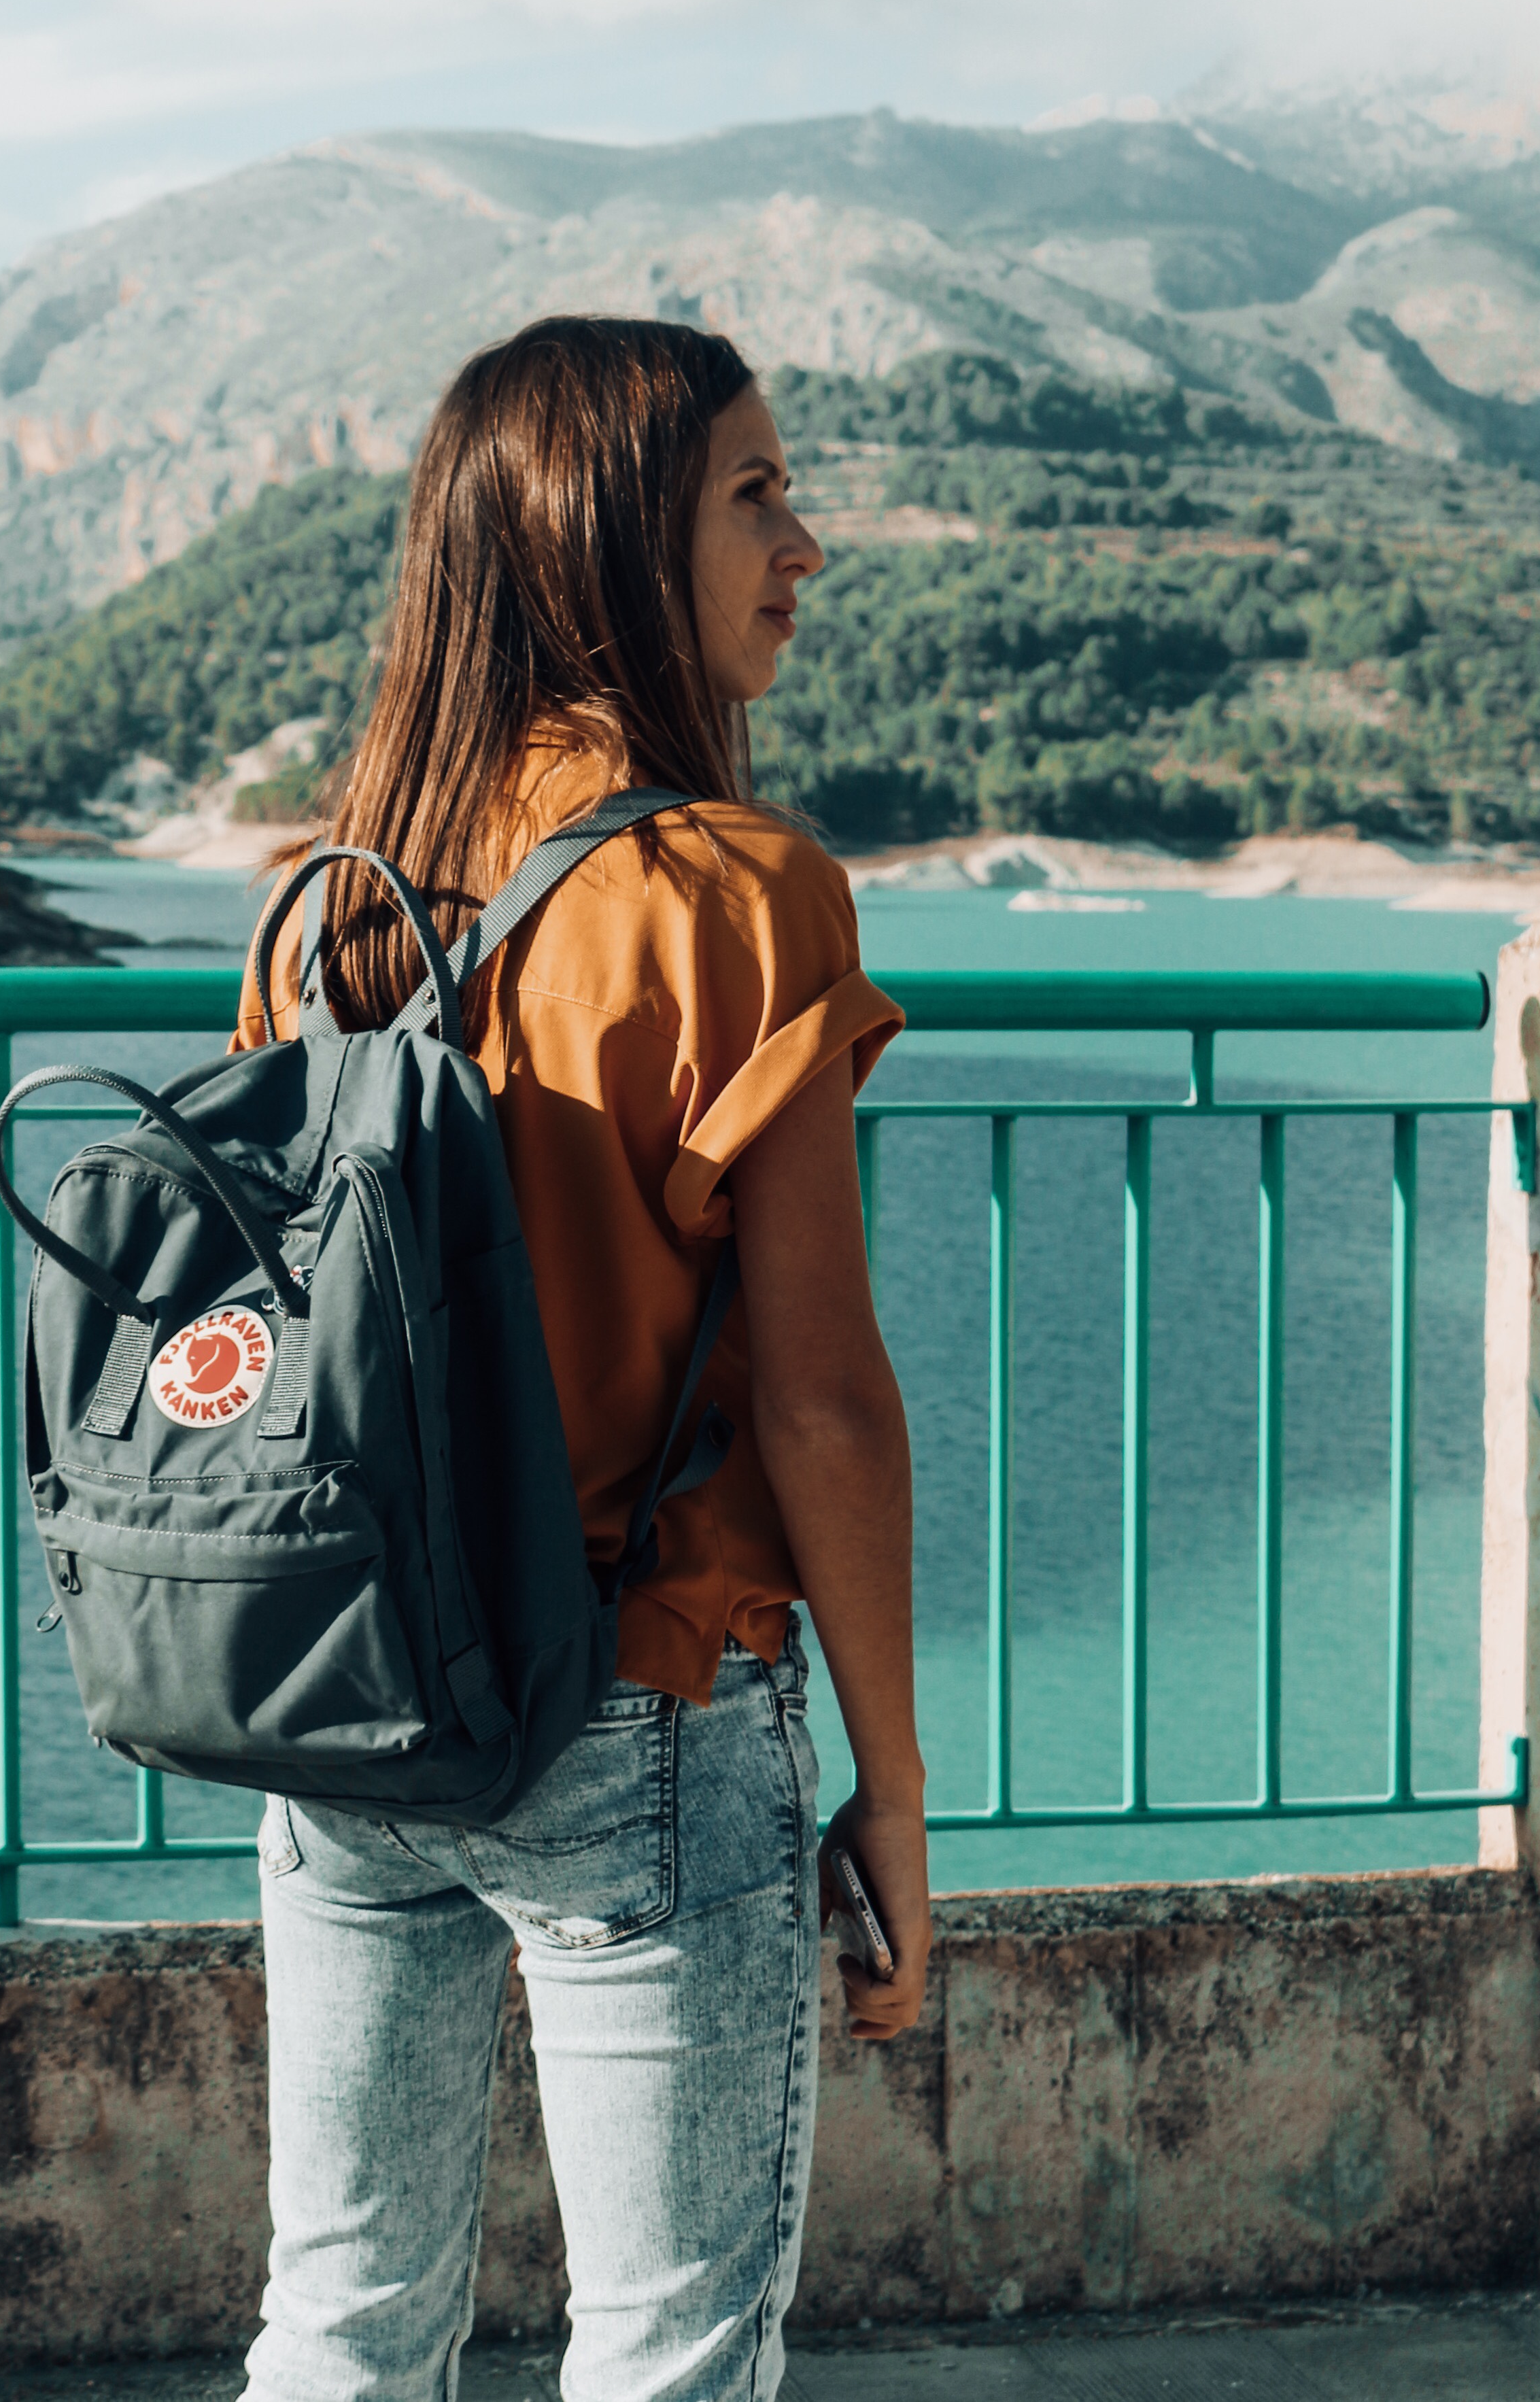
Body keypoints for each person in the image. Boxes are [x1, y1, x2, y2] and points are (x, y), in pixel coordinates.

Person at [233, 315, 928, 2402]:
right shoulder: (739, 896)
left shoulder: (318, 907)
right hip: (639, 1699)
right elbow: (817, 1396)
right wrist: (895, 1789)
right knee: (666, 2345)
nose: (803, 544)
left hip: (348, 1704)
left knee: (341, 2320)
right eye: (754, 493)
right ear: (607, 535)